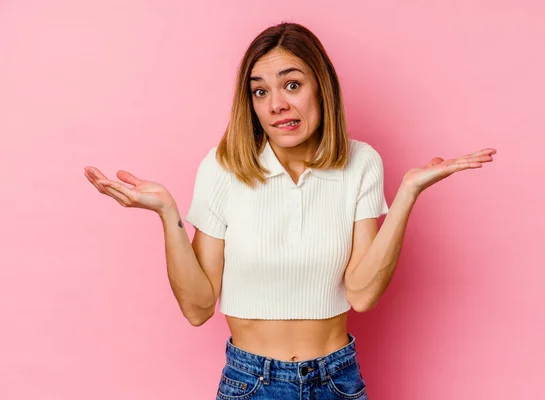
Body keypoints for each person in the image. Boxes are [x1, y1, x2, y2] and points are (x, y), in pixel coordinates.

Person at [84, 22, 496, 400]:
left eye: (292, 85)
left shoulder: (361, 162)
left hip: (337, 380)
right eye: (260, 91)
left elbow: (363, 293)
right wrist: (167, 214)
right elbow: (197, 307)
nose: (276, 104)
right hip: (251, 382)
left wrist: (407, 194)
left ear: (322, 88)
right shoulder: (223, 167)